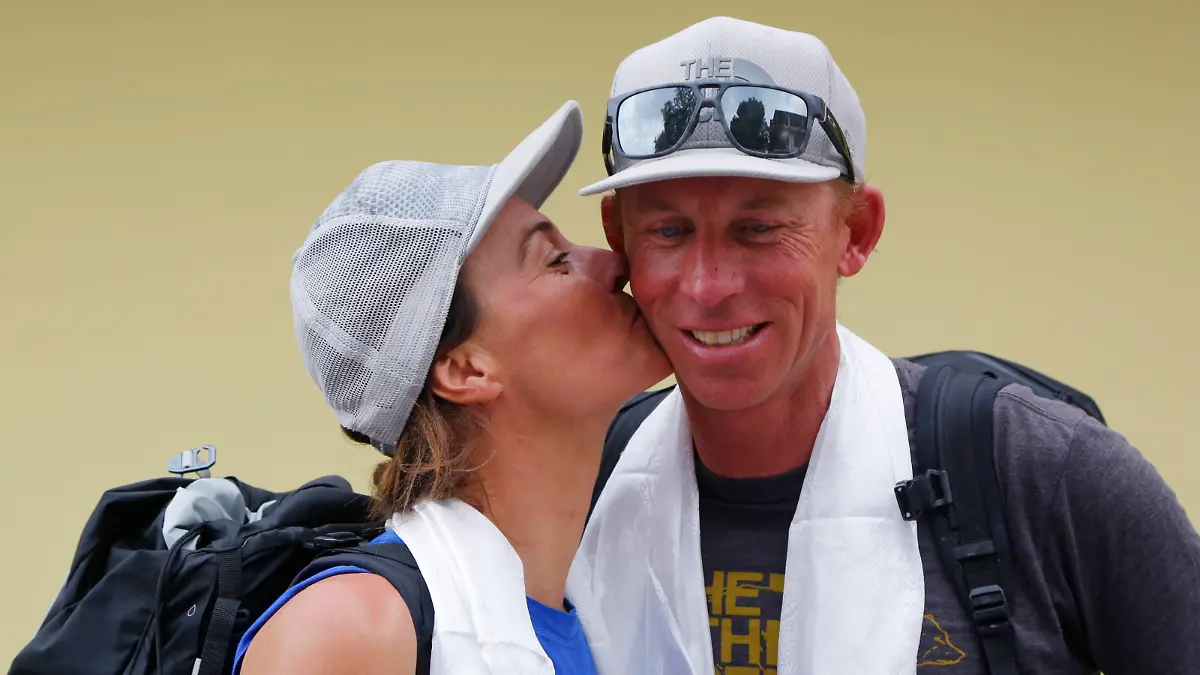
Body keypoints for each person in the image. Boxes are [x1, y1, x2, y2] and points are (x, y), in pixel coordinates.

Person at [567, 15, 1200, 675]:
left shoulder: (1039, 470)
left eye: (757, 228)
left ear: (857, 232)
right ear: (619, 236)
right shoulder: (580, 481)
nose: (708, 283)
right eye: (669, 230)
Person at [234, 100, 671, 675]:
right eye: (556, 260)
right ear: (465, 369)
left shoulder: (609, 612)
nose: (616, 264)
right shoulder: (352, 631)